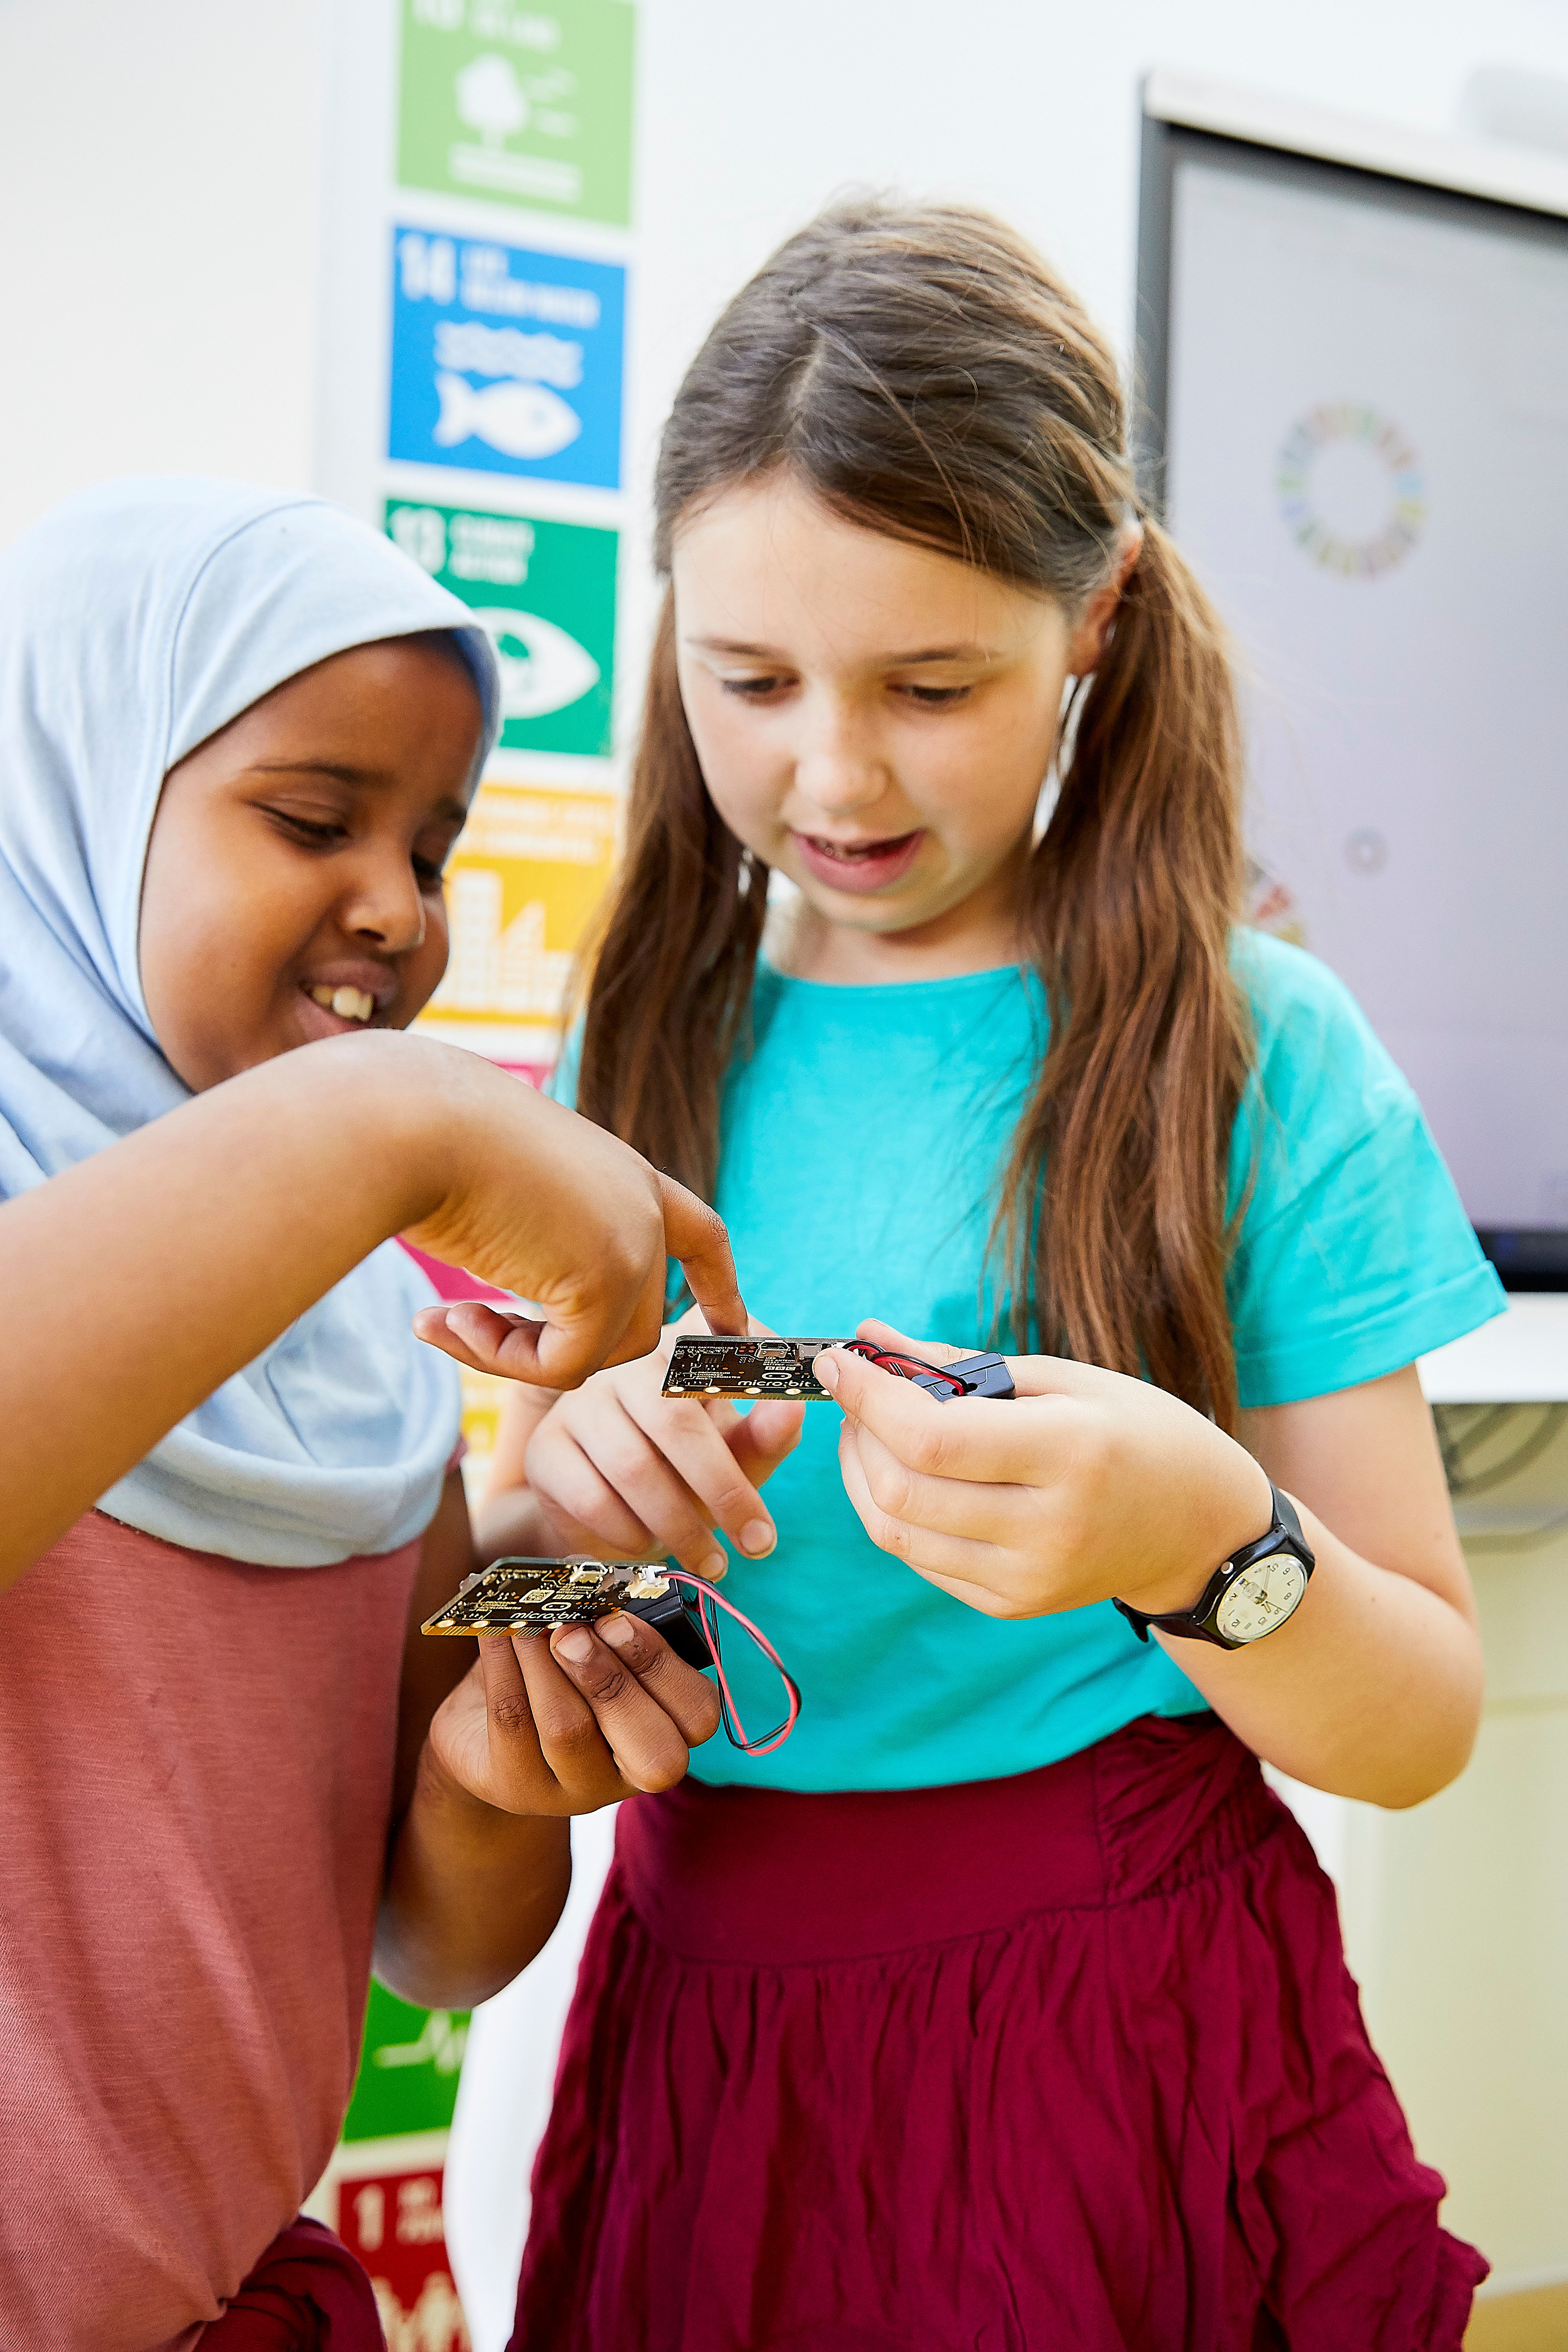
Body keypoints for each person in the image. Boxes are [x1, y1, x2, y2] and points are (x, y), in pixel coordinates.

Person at [458, 203, 1507, 2350]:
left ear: (1094, 617)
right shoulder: (628, 1031)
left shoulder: (1253, 1049)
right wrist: (555, 1533)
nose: (829, 772)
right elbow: (503, 1567)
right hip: (710, 2011)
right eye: (747, 678)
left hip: (1121, 2012)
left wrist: (1196, 1534)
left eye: (931, 686)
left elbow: (1414, 1723)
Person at [0, 479, 746, 2352]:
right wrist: (387, 1121)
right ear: (65, 794)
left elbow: (438, 1930)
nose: (401, 912)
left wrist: (540, 1631)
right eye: (316, 820)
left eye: (435, 845)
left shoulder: (351, 1325)